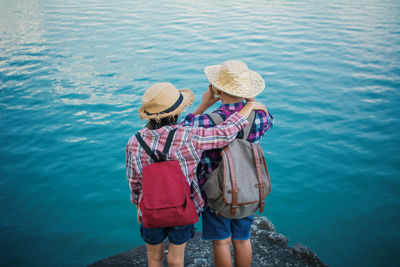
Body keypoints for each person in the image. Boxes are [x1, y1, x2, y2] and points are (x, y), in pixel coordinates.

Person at [126, 82, 267, 267]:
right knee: (176, 259)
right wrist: (249, 105)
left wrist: (138, 204)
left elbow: (134, 180)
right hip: (183, 206)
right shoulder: (189, 135)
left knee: (153, 258)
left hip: (150, 208)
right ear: (177, 112)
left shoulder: (134, 142)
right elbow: (224, 133)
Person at [181, 60, 274, 267]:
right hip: (249, 189)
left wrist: (204, 104)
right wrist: (251, 100)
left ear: (215, 89)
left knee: (221, 242)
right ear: (246, 89)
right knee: (243, 239)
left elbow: (179, 130)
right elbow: (269, 119)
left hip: (216, 191)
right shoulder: (259, 115)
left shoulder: (207, 120)